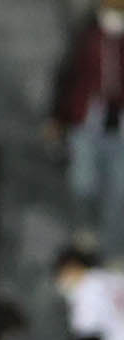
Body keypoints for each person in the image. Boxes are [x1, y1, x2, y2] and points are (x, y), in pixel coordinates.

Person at [52, 0, 124, 258]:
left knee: (119, 189)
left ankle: (114, 249)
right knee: (83, 181)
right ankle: (85, 235)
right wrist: (57, 116)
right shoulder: (86, 37)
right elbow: (67, 74)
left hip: (119, 123)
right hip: (87, 117)